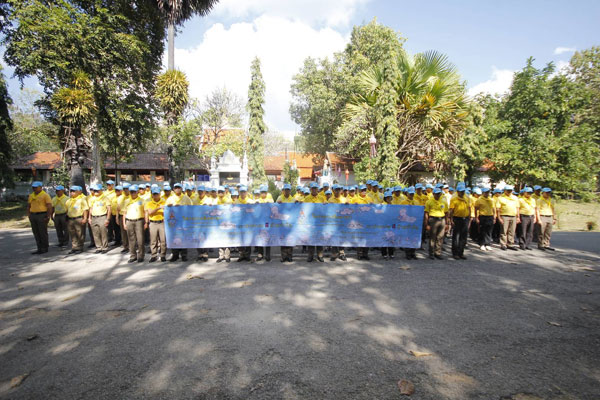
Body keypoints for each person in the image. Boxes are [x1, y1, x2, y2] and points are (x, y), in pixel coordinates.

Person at [165, 183, 193, 262]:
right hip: (174, 222)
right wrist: (169, 207)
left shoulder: (186, 198)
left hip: (183, 221)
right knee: (174, 237)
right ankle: (175, 255)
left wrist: (181, 207)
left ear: (181, 189)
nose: (177, 189)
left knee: (184, 237)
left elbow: (191, 208)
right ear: (173, 189)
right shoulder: (170, 199)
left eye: (179, 188)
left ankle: (184, 255)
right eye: (176, 188)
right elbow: (165, 210)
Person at [27, 181, 53, 255]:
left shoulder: (45, 195)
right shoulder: (31, 195)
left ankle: (44, 247)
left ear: (41, 187)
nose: (34, 188)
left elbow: (49, 206)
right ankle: (39, 247)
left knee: (42, 232)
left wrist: (48, 216)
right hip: (33, 215)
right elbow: (28, 206)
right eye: (33, 187)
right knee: (36, 232)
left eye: (36, 187)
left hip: (42, 215)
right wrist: (29, 215)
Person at [122, 185, 145, 263]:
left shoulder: (142, 200)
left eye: (134, 192)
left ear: (137, 192)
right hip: (129, 221)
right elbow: (124, 213)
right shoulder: (126, 201)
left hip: (139, 221)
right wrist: (124, 223)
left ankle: (141, 255)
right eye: (131, 192)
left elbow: (145, 212)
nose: (133, 193)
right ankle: (133, 256)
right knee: (131, 240)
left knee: (140, 239)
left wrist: (146, 222)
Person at [303, 182, 325, 262]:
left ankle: (320, 255)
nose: (314, 190)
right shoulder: (307, 198)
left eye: (316, 188)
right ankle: (310, 256)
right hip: (310, 222)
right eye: (313, 188)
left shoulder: (322, 198)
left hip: (319, 222)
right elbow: (303, 209)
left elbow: (325, 209)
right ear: (310, 189)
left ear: (318, 189)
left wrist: (326, 204)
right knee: (311, 239)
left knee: (319, 239)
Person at [448, 184, 471, 260]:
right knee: (456, 237)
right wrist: (450, 220)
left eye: (463, 191)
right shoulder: (454, 199)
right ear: (457, 191)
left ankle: (461, 252)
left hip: (465, 218)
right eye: (461, 191)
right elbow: (451, 210)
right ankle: (455, 253)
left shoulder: (467, 197)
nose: (462, 193)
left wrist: (469, 218)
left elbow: (469, 208)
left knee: (463, 237)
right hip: (456, 219)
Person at [145, 187, 167, 262]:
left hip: (161, 222)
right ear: (152, 195)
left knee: (163, 240)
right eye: (154, 194)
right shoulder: (149, 203)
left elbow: (167, 213)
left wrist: (165, 209)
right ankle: (153, 255)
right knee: (153, 241)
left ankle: (163, 255)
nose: (155, 195)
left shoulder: (164, 202)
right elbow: (150, 212)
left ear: (160, 194)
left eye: (157, 194)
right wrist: (158, 208)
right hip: (153, 223)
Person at [425, 187, 448, 260]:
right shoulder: (429, 202)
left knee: (440, 237)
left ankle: (438, 253)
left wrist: (447, 223)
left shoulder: (443, 201)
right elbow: (426, 213)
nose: (438, 195)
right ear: (433, 194)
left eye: (439, 194)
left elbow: (446, 212)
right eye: (437, 194)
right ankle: (431, 253)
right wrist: (427, 224)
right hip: (433, 220)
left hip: (442, 219)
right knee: (432, 237)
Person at [65, 185, 89, 254]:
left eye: (74, 191)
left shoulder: (82, 200)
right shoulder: (69, 200)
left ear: (78, 192)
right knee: (72, 234)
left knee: (80, 233)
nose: (72, 193)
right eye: (71, 191)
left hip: (78, 218)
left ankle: (80, 247)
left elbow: (85, 210)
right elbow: (67, 210)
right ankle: (74, 247)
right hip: (70, 219)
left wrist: (85, 218)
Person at [88, 183, 111, 253]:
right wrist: (89, 218)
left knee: (103, 233)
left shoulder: (105, 198)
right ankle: (99, 247)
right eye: (94, 190)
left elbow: (109, 209)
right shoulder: (92, 199)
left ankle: (104, 247)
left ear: (101, 190)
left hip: (102, 217)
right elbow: (90, 209)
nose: (96, 192)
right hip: (94, 217)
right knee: (95, 233)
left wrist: (107, 219)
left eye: (97, 190)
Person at [497, 185, 520, 251]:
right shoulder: (500, 198)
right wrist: (499, 218)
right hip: (504, 216)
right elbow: (498, 209)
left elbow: (517, 208)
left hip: (513, 216)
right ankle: (503, 244)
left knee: (512, 231)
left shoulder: (515, 198)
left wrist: (518, 217)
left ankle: (510, 244)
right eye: (508, 190)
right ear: (505, 191)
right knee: (504, 231)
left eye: (510, 190)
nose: (509, 192)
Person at [351, 184, 371, 260]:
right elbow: (351, 209)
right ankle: (359, 254)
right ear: (359, 191)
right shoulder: (355, 199)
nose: (364, 191)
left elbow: (373, 209)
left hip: (367, 221)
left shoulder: (369, 199)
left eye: (365, 190)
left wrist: (372, 206)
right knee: (359, 237)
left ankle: (365, 254)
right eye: (362, 190)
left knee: (367, 238)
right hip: (358, 221)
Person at [276, 183, 296, 262]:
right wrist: (278, 203)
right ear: (283, 191)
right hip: (282, 223)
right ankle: (283, 256)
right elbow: (276, 208)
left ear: (290, 191)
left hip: (290, 223)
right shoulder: (279, 198)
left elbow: (296, 209)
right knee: (283, 239)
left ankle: (289, 256)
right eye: (285, 190)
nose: (287, 191)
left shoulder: (293, 199)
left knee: (290, 239)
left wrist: (298, 203)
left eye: (288, 190)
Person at [328, 184, 347, 261]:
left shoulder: (344, 199)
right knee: (334, 238)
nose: (337, 191)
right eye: (336, 190)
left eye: (339, 189)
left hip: (342, 222)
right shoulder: (330, 200)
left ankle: (342, 254)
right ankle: (334, 254)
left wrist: (349, 205)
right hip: (333, 222)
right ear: (333, 190)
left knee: (341, 238)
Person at [253, 185, 272, 262]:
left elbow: (275, 208)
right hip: (259, 223)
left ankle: (268, 255)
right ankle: (260, 255)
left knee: (267, 238)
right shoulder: (257, 201)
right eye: (262, 192)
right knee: (259, 238)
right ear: (260, 193)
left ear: (267, 193)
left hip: (268, 222)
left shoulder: (270, 200)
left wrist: (270, 204)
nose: (263, 194)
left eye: (265, 192)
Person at [235, 186, 254, 262]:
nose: (243, 193)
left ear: (246, 192)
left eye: (244, 192)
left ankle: (247, 255)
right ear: (239, 193)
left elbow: (254, 210)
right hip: (239, 223)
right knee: (240, 239)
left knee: (248, 239)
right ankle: (241, 255)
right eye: (241, 192)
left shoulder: (250, 201)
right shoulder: (236, 202)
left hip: (248, 223)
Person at [117, 183, 131, 254]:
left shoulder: (132, 197)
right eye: (124, 189)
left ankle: (132, 246)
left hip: (130, 216)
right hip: (122, 216)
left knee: (131, 232)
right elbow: (118, 208)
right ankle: (125, 246)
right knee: (123, 232)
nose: (125, 190)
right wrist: (117, 217)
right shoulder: (120, 197)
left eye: (127, 189)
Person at [381, 191, 395, 260]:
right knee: (384, 238)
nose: (389, 199)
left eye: (390, 197)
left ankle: (391, 253)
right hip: (384, 224)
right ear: (385, 198)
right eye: (387, 197)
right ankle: (384, 254)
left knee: (391, 238)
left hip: (391, 224)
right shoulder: (382, 205)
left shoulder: (393, 205)